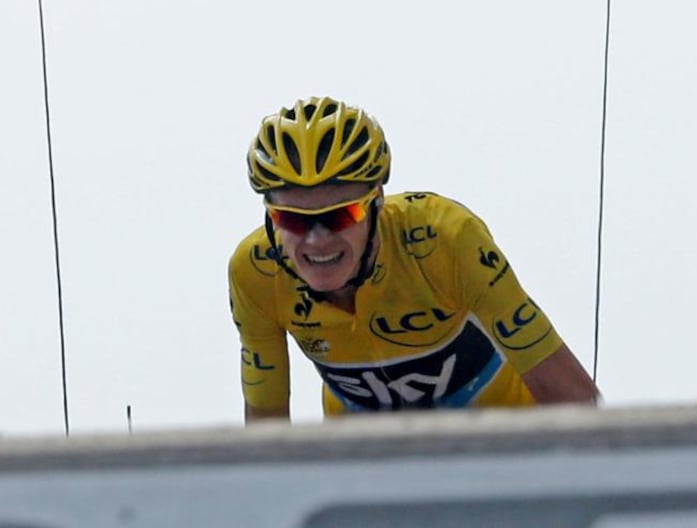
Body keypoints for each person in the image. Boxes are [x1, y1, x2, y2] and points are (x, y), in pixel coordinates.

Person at [229, 96, 599, 423]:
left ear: (377, 202)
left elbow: (577, 401)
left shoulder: (445, 239)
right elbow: (267, 430)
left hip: (501, 438)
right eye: (292, 220)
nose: (317, 239)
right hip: (374, 456)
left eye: (340, 216)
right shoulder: (256, 273)